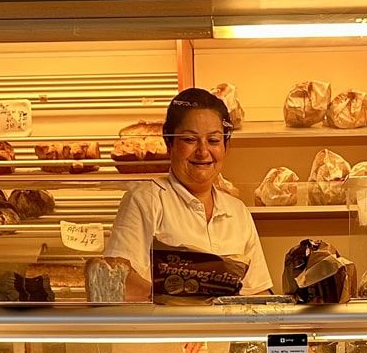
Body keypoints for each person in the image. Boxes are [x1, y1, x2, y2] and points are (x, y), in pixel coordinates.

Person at [104, 86, 273, 302]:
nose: (203, 152)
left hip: (224, 335)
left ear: (225, 146)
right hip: (168, 333)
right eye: (189, 140)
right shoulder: (145, 200)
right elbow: (116, 280)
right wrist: (181, 300)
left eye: (213, 141)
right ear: (169, 142)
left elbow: (257, 291)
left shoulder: (237, 212)